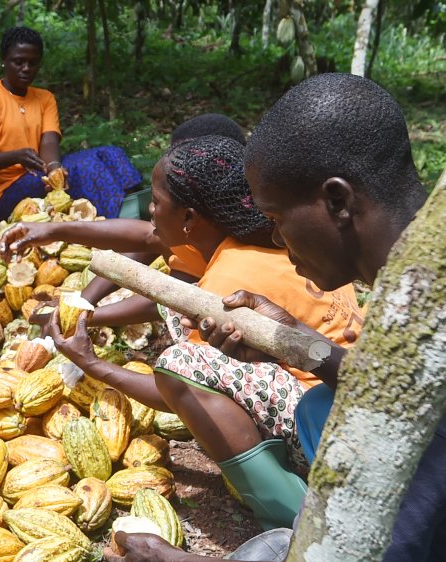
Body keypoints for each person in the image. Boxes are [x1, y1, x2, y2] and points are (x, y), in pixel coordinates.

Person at [109, 75, 443, 561]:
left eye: (278, 218)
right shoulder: (419, 283)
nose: (277, 239)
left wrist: (172, 558)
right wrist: (293, 338)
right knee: (315, 407)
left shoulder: (415, 451)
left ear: (337, 202)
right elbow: (388, 385)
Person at [12, 135, 362, 532]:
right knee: (182, 306)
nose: (149, 210)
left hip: (330, 430)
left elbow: (171, 393)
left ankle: (286, 505)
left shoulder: (226, 280)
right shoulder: (257, 236)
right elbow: (148, 242)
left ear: (191, 219)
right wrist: (55, 235)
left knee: (180, 363)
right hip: (351, 389)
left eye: (157, 202)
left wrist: (91, 363)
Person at [0, 113, 248, 328]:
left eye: (158, 202)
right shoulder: (197, 229)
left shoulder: (233, 265)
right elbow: (146, 237)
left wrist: (81, 317)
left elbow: (176, 301)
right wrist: (51, 232)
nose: (150, 208)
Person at [0, 26, 142, 223]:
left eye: (33, 63)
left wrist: (54, 170)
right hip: (3, 193)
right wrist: (17, 157)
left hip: (39, 177)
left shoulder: (44, 98)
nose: (26, 68)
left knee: (110, 153)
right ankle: (115, 226)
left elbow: (49, 142)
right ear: (4, 61)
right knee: (85, 167)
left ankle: (135, 212)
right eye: (18, 61)